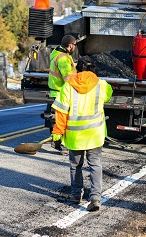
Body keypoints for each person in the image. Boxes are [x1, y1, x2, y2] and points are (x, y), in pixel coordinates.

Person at [50, 58, 113, 212]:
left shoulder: (68, 87)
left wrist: (57, 135)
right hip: (95, 134)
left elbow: (61, 114)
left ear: (76, 69)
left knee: (75, 166)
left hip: (75, 137)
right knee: (95, 165)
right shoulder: (102, 85)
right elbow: (109, 96)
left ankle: (75, 195)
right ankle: (95, 198)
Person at [47, 34, 77, 155]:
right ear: (70, 46)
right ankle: (59, 144)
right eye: (75, 45)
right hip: (62, 92)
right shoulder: (63, 58)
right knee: (63, 120)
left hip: (58, 91)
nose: (75, 47)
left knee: (59, 119)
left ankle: (57, 142)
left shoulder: (57, 53)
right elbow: (68, 78)